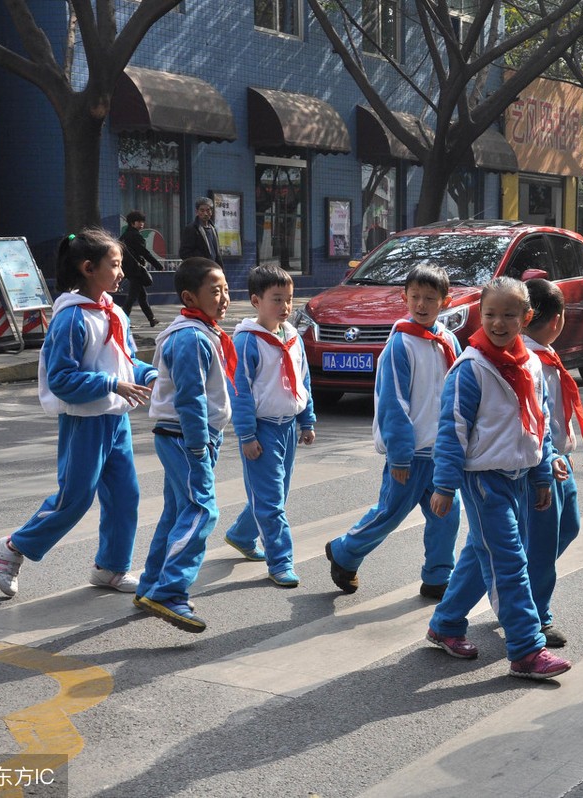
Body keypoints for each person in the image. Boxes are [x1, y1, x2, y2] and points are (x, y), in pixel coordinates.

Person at [0, 229, 157, 598]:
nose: (121, 273)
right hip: (84, 421)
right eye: (114, 265)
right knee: (75, 498)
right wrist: (112, 385)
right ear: (87, 268)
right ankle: (12, 547)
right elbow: (62, 378)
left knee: (125, 496)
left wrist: (153, 375)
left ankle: (111, 568)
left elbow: (128, 360)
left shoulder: (114, 312)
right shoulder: (71, 318)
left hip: (115, 419)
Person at [425, 277, 572, 680]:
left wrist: (542, 476)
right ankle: (526, 650)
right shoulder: (471, 369)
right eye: (490, 314)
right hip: (483, 481)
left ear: (526, 318)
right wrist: (444, 485)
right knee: (509, 561)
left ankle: (446, 623)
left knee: (480, 552)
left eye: (509, 315)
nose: (499, 323)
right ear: (480, 315)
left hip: (520, 477)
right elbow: (451, 429)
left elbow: (539, 425)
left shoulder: (530, 365)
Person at [325, 264, 462, 599]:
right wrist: (399, 455)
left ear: (444, 302)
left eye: (430, 298)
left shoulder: (449, 341)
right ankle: (344, 552)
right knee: (389, 514)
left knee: (448, 516)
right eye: (415, 296)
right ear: (405, 297)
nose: (421, 304)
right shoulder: (400, 344)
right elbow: (392, 404)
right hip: (411, 454)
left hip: (441, 453)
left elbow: (459, 394)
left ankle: (437, 577)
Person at [134, 257, 233, 632]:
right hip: (185, 437)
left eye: (225, 289)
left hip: (184, 436)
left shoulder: (199, 331)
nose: (223, 298)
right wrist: (198, 445)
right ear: (191, 296)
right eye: (215, 291)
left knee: (177, 513)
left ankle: (150, 586)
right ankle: (170, 591)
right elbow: (190, 399)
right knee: (201, 511)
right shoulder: (190, 336)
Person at [222, 265, 317, 588]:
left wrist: (307, 420)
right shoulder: (247, 341)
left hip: (288, 427)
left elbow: (303, 379)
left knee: (275, 494)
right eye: (277, 299)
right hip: (261, 429)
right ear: (255, 301)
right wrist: (246, 434)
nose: (285, 306)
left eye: (289, 299)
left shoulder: (292, 336)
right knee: (272, 501)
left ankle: (241, 534)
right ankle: (281, 562)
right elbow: (241, 390)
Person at [519, 278, 583, 647]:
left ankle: (520, 589)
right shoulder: (529, 360)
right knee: (543, 545)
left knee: (570, 527)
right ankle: (536, 616)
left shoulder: (546, 354)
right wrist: (548, 461)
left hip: (559, 459)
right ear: (557, 319)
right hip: (542, 466)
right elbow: (535, 420)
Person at [120, 210, 160, 327]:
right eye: (139, 221)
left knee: (142, 296)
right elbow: (145, 252)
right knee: (132, 297)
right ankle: (123, 319)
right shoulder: (136, 236)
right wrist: (158, 265)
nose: (141, 224)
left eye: (142, 221)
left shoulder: (125, 235)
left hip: (128, 268)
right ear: (132, 223)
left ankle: (152, 319)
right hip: (135, 270)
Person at [179, 197, 223, 267]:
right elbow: (184, 253)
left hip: (213, 269)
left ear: (211, 212)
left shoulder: (213, 229)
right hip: (199, 271)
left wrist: (221, 270)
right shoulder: (191, 229)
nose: (205, 213)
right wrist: (200, 263)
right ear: (197, 212)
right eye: (202, 210)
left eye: (208, 210)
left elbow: (217, 253)